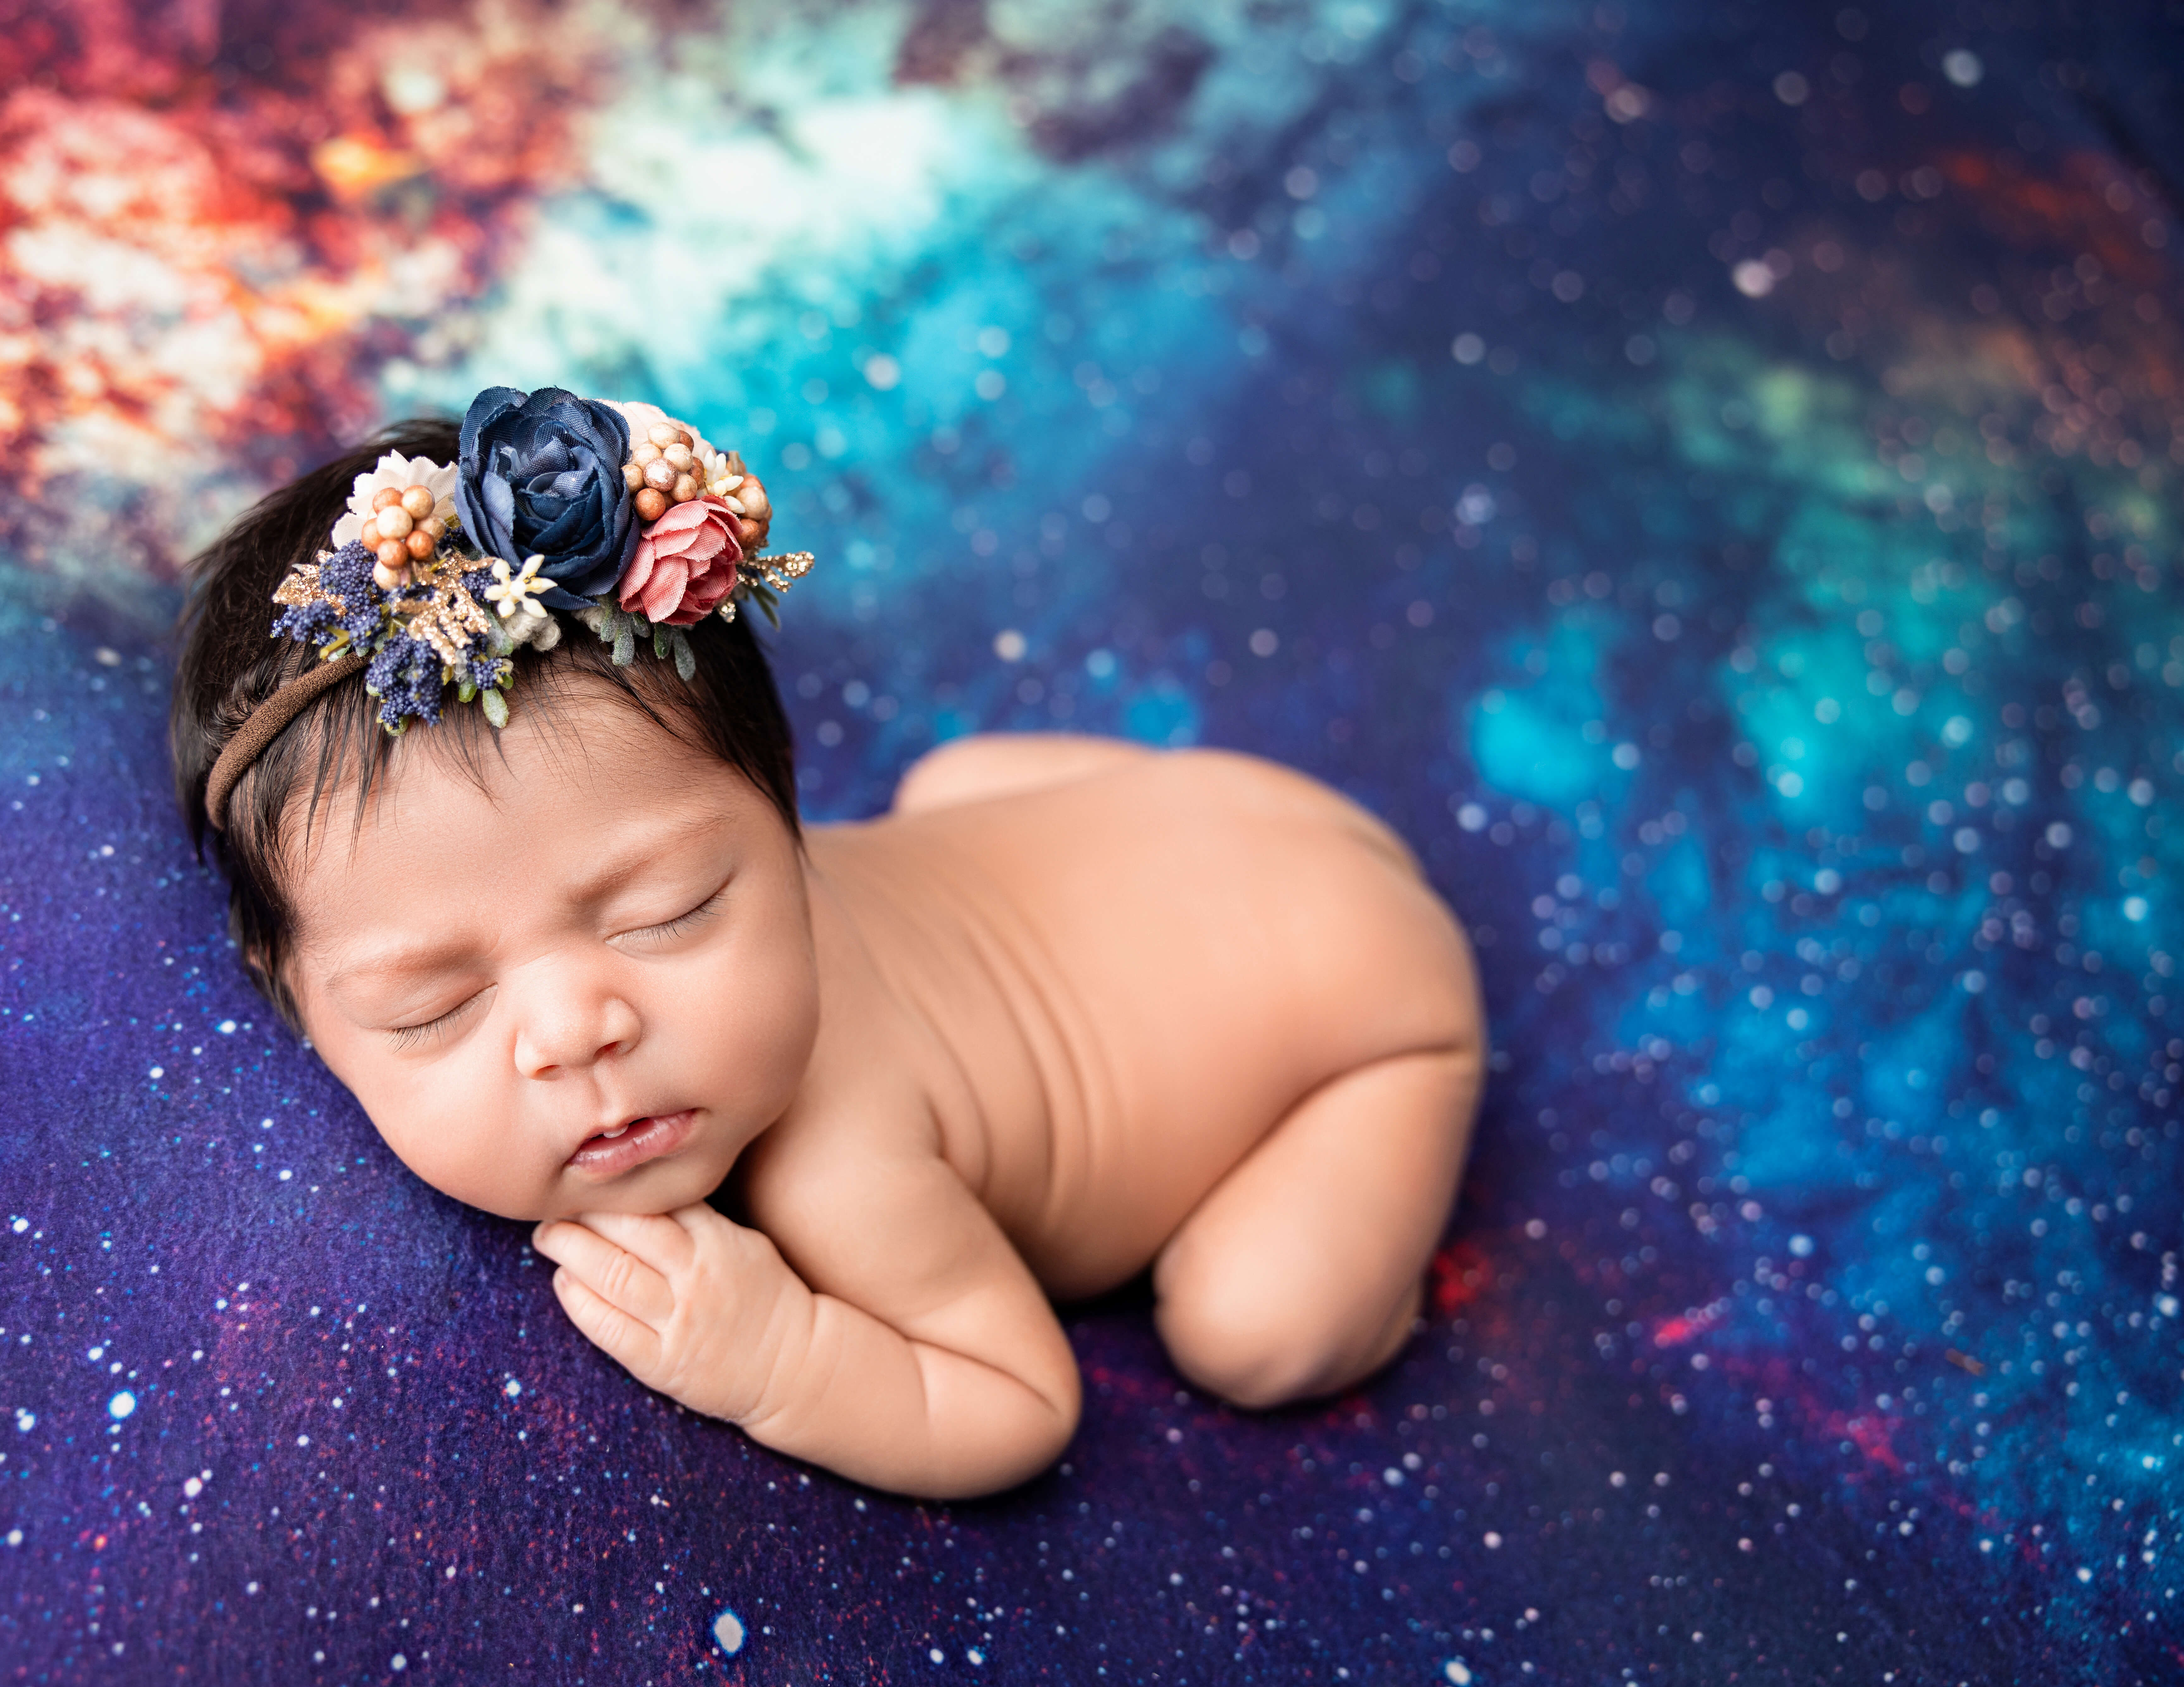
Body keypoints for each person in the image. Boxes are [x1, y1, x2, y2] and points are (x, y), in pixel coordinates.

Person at [171, 388, 1487, 1499]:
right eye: (429, 1004)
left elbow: (1019, 1404)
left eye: (671, 908)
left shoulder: (838, 1161)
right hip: (1190, 819)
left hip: (1356, 991)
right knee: (952, 780)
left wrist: (779, 1355)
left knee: (1255, 1327)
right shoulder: (690, 897)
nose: (577, 1029)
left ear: (783, 804)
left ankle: (1421, 1074)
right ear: (290, 1000)